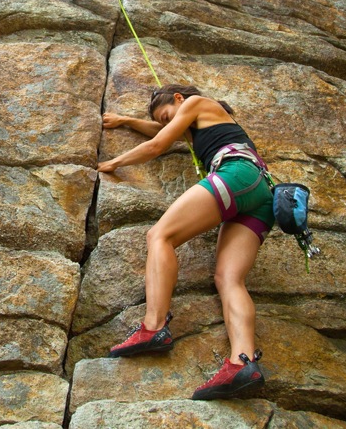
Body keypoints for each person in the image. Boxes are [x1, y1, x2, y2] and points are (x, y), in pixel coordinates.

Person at [97, 84, 272, 400]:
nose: (166, 123)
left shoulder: (195, 102)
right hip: (261, 194)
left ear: (178, 99)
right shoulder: (208, 120)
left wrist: (113, 164)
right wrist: (125, 120)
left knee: (160, 236)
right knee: (228, 278)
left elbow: (157, 143)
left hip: (236, 174)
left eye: (167, 115)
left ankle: (153, 327)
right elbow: (159, 130)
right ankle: (242, 363)